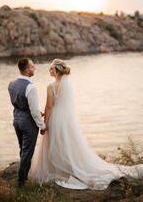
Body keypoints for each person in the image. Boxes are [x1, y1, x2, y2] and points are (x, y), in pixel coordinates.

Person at [29, 59, 143, 190]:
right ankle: (67, 166)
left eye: (51, 68)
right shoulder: (67, 85)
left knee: (54, 142)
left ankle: (58, 167)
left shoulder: (51, 86)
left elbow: (49, 107)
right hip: (66, 119)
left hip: (55, 118)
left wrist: (45, 124)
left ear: (56, 71)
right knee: (66, 143)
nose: (49, 70)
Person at [8, 58, 46, 186]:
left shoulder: (11, 84)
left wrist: (31, 112)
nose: (34, 68)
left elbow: (20, 103)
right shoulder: (31, 87)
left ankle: (22, 175)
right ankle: (22, 181)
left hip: (16, 119)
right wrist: (42, 125)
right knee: (28, 152)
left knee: (23, 149)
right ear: (27, 70)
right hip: (28, 123)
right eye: (32, 66)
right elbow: (34, 111)